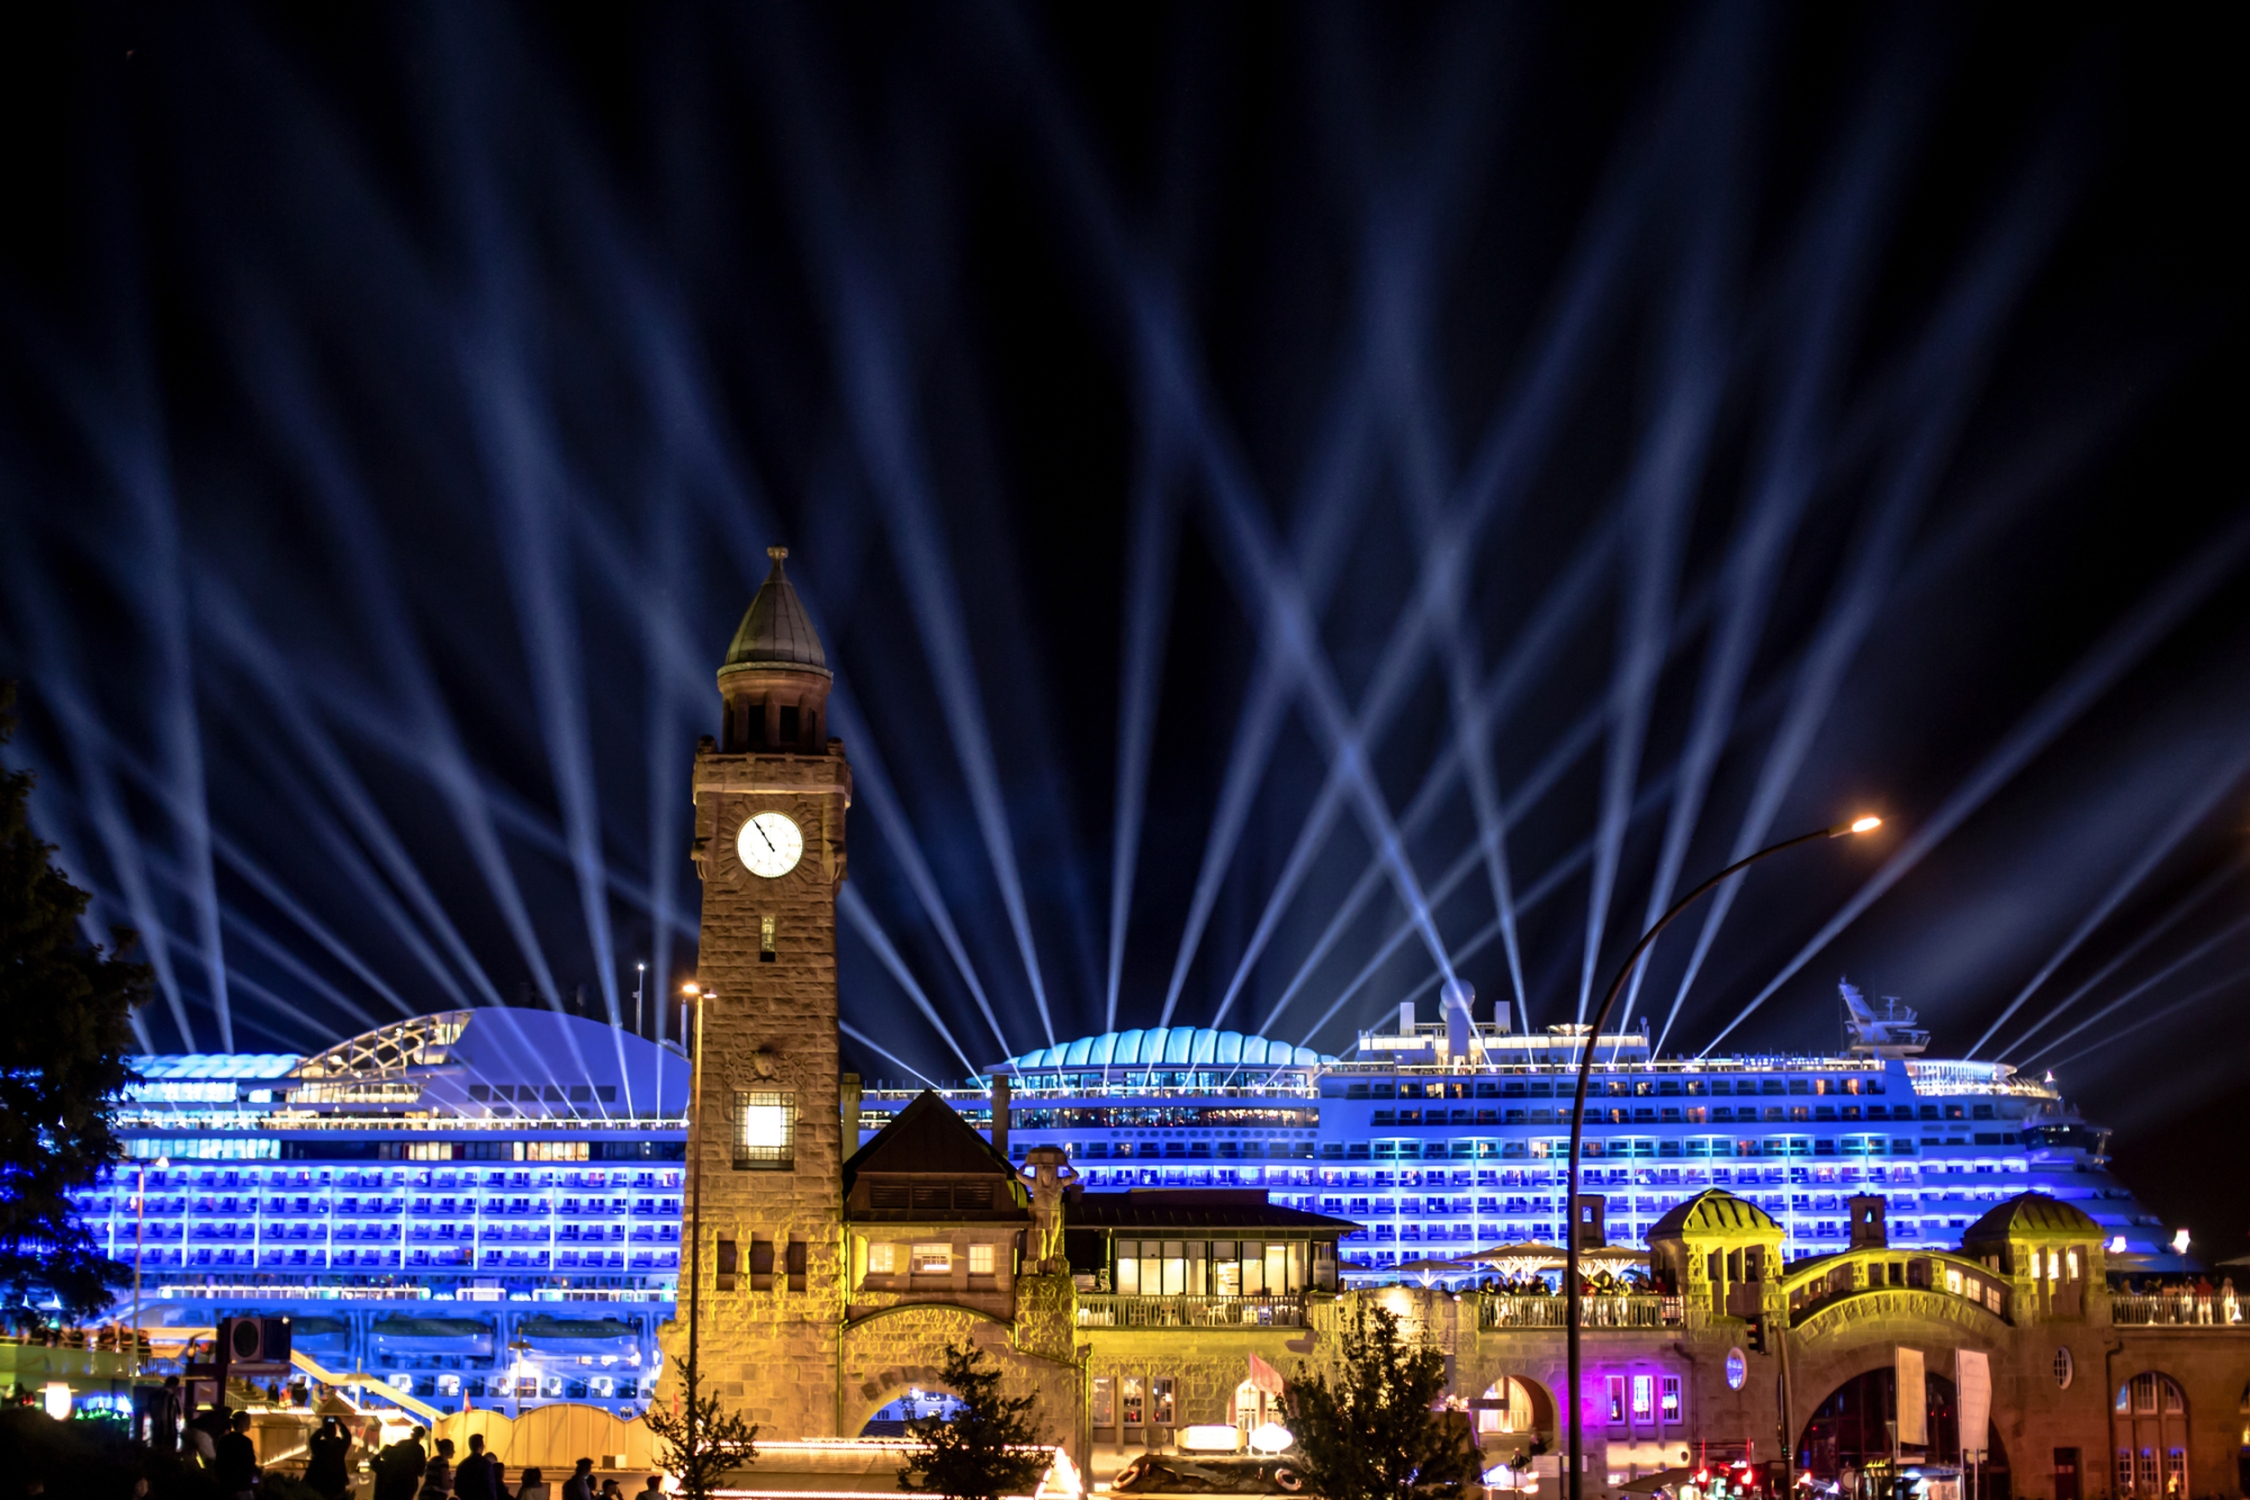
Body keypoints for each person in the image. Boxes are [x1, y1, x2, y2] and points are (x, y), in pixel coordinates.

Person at [216, 1409, 261, 1500]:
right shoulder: (246, 1442)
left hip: (225, 1486)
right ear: (242, 1423)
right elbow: (249, 1464)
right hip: (242, 1487)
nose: (250, 1424)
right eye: (248, 1421)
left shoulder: (223, 1440)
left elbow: (219, 1463)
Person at [307, 1415, 355, 1500]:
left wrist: (322, 1428)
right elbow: (348, 1437)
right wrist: (340, 1424)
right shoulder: (339, 1446)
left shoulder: (319, 1446)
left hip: (319, 1481)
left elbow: (313, 1440)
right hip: (336, 1482)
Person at [376, 1427, 431, 1500]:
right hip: (408, 1483)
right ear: (421, 1436)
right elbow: (421, 1471)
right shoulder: (419, 1449)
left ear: (411, 1434)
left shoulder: (400, 1443)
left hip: (393, 1480)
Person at [455, 1432, 503, 1500]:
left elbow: (457, 1488)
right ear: (482, 1446)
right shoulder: (486, 1465)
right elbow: (490, 1487)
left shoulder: (462, 1465)